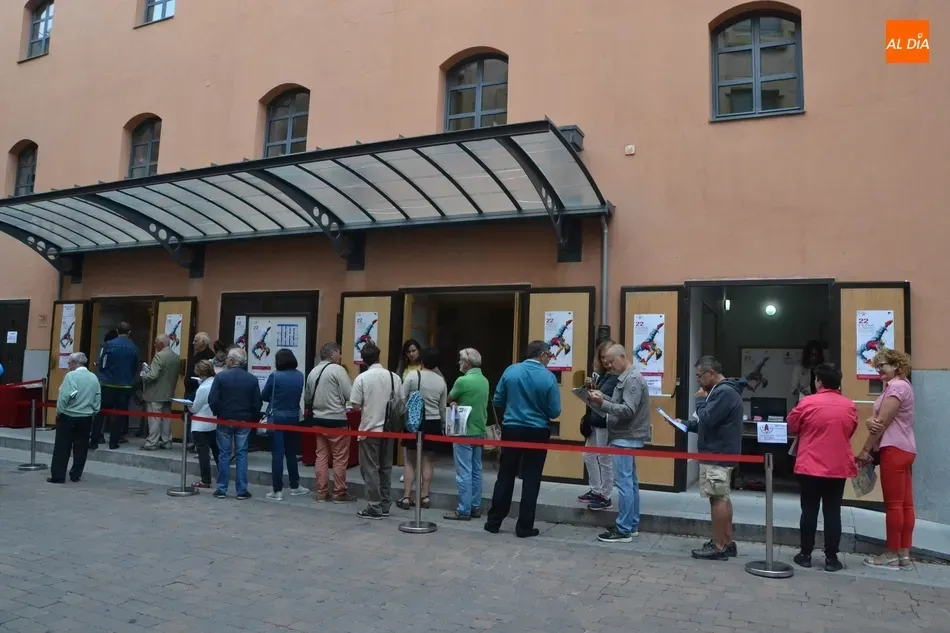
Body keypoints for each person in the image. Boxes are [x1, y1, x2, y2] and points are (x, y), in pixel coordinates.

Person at [485, 340, 561, 538]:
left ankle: (494, 521)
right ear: (543, 355)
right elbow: (555, 411)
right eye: (549, 356)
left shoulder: (511, 371)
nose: (549, 360)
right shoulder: (548, 377)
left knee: (505, 475)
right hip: (537, 431)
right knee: (531, 478)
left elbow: (498, 400)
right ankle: (525, 526)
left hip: (512, 428)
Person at [786, 363, 857, 572]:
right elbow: (850, 430)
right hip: (837, 466)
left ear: (819, 382)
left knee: (809, 511)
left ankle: (805, 554)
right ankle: (831, 559)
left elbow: (792, 425)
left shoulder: (808, 403)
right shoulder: (849, 406)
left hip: (810, 465)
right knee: (833, 512)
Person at [682, 355, 746, 561]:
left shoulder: (723, 392)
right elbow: (709, 421)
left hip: (717, 455)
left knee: (717, 499)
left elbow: (707, 418)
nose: (698, 381)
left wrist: (700, 400)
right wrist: (685, 424)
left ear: (711, 373)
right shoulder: (722, 392)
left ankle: (718, 546)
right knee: (722, 497)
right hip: (720, 452)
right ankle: (727, 542)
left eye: (700, 376)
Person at [859, 349, 916, 570]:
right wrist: (869, 421)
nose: (878, 369)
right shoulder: (903, 386)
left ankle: (891, 553)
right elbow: (878, 420)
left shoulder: (897, 388)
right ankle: (904, 554)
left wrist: (865, 450)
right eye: (877, 365)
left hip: (893, 449)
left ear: (897, 366)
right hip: (906, 448)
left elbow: (880, 423)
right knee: (905, 504)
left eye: (883, 365)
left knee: (894, 506)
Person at [589, 344, 651, 543]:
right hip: (626, 436)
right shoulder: (628, 377)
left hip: (625, 437)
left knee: (625, 484)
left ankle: (624, 528)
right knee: (630, 483)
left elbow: (628, 410)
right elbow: (622, 403)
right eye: (606, 363)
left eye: (612, 362)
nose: (609, 367)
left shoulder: (632, 379)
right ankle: (630, 524)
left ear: (623, 357)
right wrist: (602, 397)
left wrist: (602, 404)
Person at [349, 343, 403, 519]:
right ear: (379, 356)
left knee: (370, 469)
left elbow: (355, 405)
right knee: (385, 468)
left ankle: (374, 506)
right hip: (389, 429)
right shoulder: (394, 377)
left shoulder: (362, 379)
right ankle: (386, 504)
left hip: (369, 429)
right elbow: (401, 402)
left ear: (363, 360)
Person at [397, 347, 447, 511]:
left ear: (422, 360)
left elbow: (402, 398)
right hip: (433, 423)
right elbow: (442, 408)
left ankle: (406, 497)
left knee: (410, 461)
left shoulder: (412, 376)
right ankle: (424, 496)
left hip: (414, 422)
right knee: (428, 462)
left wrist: (412, 410)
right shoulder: (441, 381)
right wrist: (443, 426)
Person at [209, 347, 262, 500]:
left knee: (224, 454)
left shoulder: (221, 377)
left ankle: (222, 488)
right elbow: (256, 403)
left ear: (231, 360)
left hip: (225, 418)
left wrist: (218, 412)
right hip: (244, 419)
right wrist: (252, 417)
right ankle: (242, 490)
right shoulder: (251, 379)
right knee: (241, 454)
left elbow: (213, 399)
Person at [444, 348, 490, 521]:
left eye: (461, 360)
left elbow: (449, 399)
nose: (459, 363)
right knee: (477, 470)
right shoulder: (484, 380)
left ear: (467, 362)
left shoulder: (462, 381)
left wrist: (455, 402)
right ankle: (475, 506)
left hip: (464, 431)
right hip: (479, 430)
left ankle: (464, 509)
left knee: (464, 471)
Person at [306, 342, 355, 503]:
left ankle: (321, 492)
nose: (340, 356)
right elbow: (350, 395)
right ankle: (339, 492)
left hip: (318, 420)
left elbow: (307, 398)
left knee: (321, 456)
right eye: (339, 353)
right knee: (339, 458)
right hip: (336, 421)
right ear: (333, 353)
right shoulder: (338, 370)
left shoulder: (313, 372)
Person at [261, 349, 309, 501]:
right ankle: (295, 486)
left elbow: (264, 395)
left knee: (277, 454)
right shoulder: (300, 375)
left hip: (276, 418)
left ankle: (277, 490)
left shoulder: (275, 376)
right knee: (291, 453)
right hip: (294, 417)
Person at [578, 339, 618, 511]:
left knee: (605, 458)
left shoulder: (618, 376)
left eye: (608, 357)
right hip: (595, 419)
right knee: (588, 454)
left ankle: (605, 495)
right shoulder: (603, 375)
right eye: (602, 358)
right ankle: (596, 489)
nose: (605, 362)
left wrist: (597, 394)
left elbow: (614, 400)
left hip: (605, 421)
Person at [49, 353, 101, 484]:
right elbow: (97, 397)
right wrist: (93, 411)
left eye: (69, 362)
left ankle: (58, 475)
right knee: (81, 448)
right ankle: (76, 474)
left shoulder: (71, 376)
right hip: (86, 416)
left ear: (74, 363)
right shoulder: (93, 377)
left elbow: (65, 396)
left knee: (62, 447)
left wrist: (59, 411)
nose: (68, 365)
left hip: (69, 415)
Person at [94, 321, 139, 450]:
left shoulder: (109, 345)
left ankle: (95, 439)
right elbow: (135, 367)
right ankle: (114, 442)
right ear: (129, 333)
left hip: (108, 383)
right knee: (119, 415)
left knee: (100, 413)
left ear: (117, 331)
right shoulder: (134, 347)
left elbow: (102, 364)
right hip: (125, 385)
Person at [141, 334, 180, 451]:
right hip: (168, 392)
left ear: (161, 344)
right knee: (166, 418)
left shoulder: (159, 356)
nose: (154, 345)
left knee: (154, 418)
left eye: (155, 343)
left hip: (155, 393)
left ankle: (151, 442)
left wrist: (144, 375)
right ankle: (166, 441)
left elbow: (152, 375)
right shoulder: (175, 356)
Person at [189, 360, 220, 489]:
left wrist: (189, 406)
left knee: (203, 453)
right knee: (217, 451)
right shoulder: (215, 383)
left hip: (200, 424)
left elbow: (195, 407)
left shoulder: (202, 388)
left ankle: (205, 480)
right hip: (213, 421)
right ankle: (222, 475)